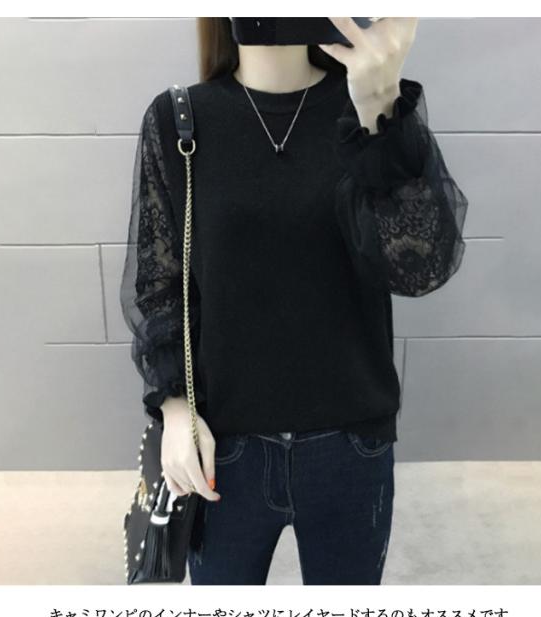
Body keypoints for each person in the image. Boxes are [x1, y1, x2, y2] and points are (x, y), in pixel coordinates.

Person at [119, 17, 468, 585]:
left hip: (350, 444)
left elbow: (420, 265)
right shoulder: (180, 120)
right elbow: (161, 283)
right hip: (223, 449)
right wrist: (174, 410)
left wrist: (378, 107)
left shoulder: (365, 105)